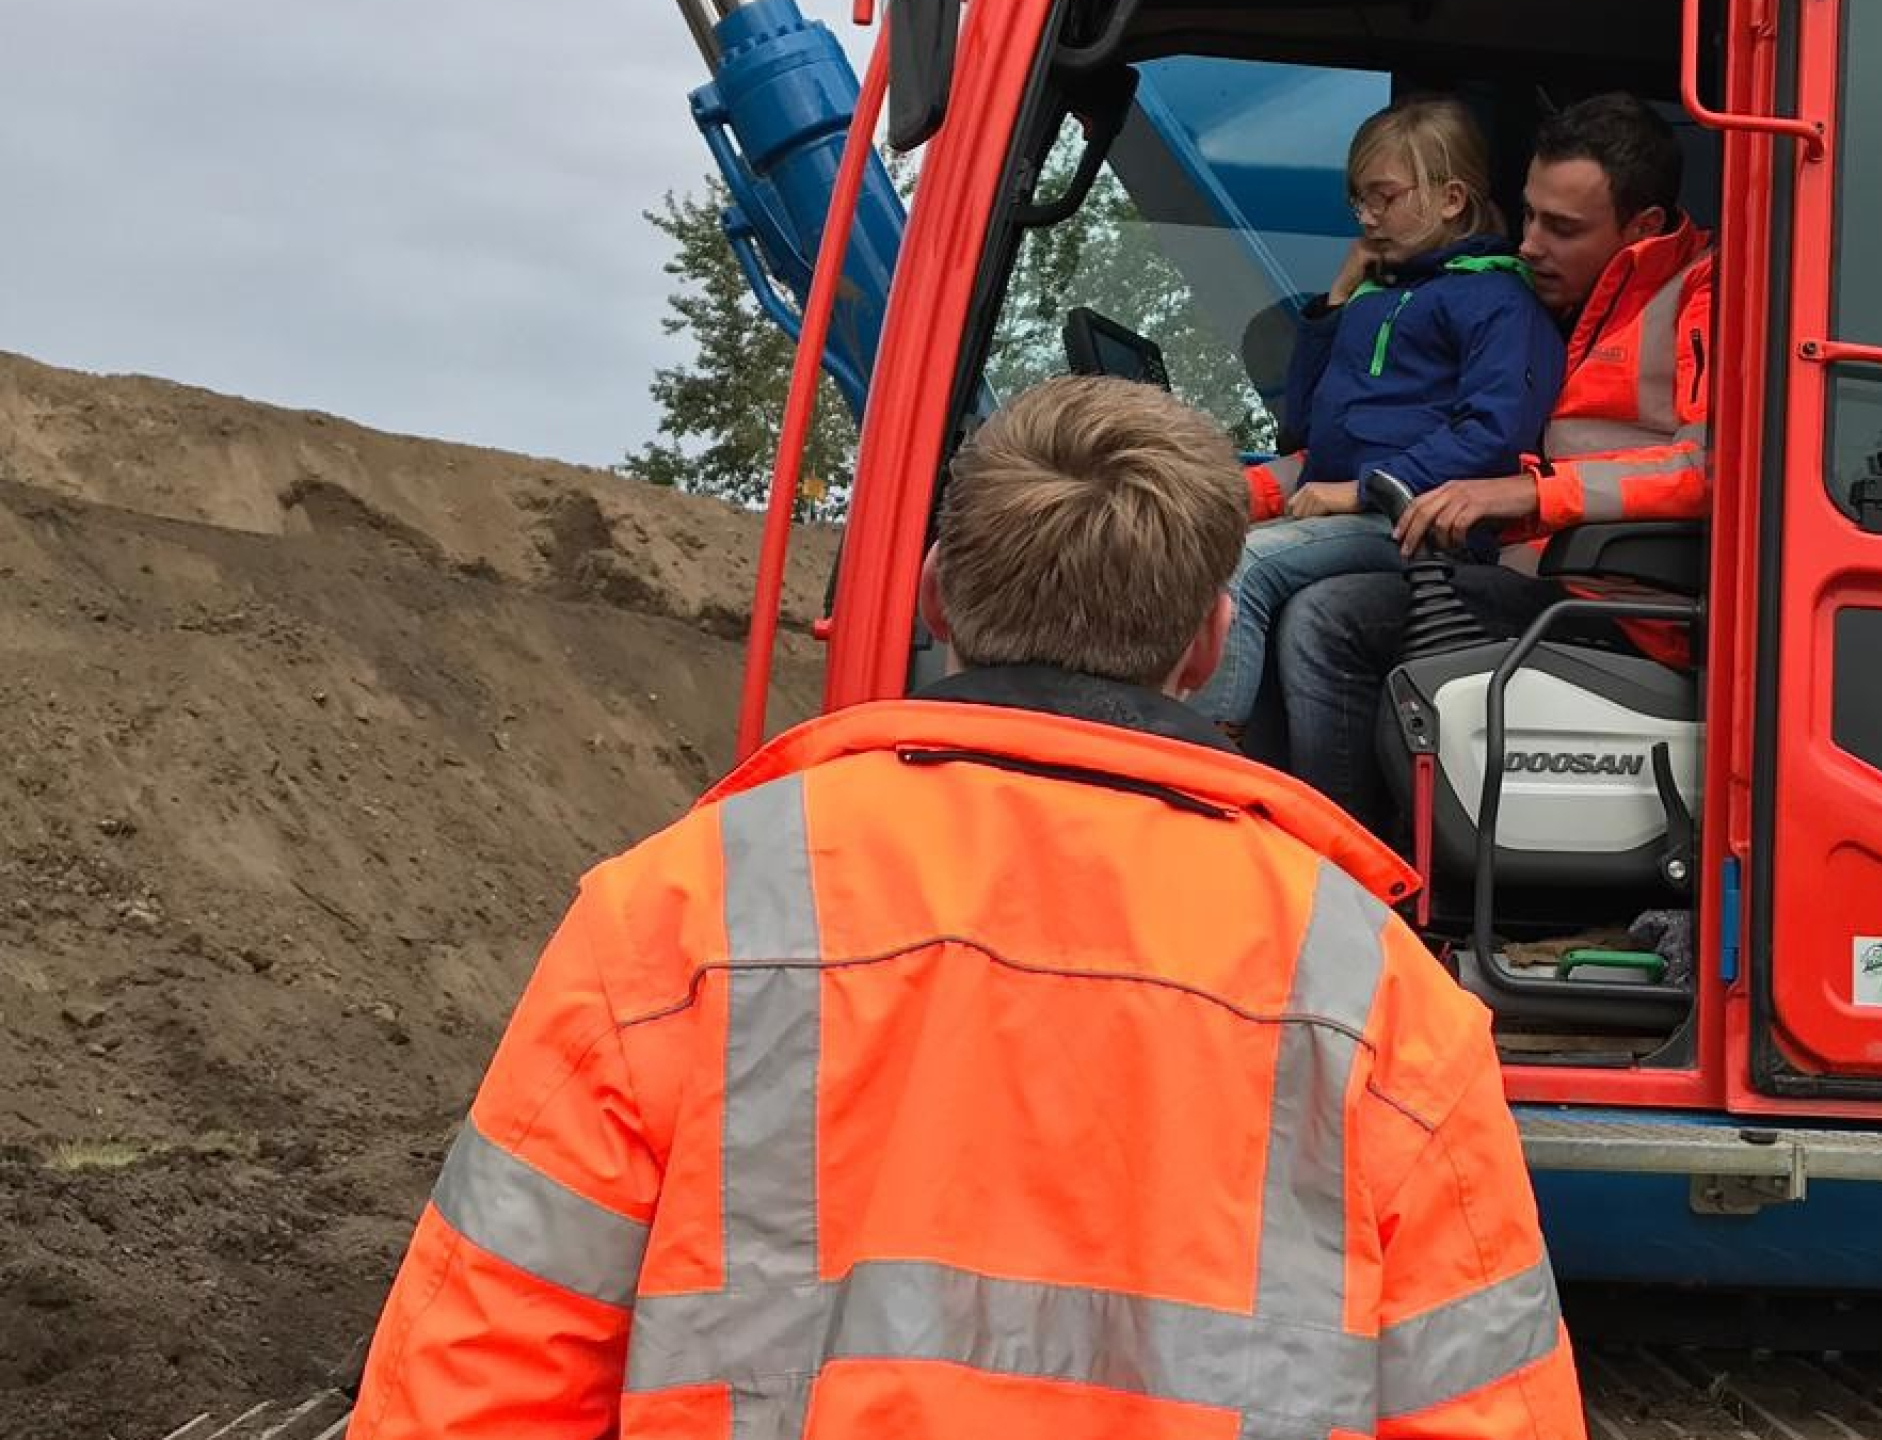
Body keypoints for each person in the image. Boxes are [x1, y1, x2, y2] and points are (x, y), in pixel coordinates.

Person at [346, 376, 1585, 1440]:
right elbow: (1483, 1406)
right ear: (1212, 643)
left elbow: (482, 1370)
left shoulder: (686, 906)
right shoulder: (1371, 985)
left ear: (936, 596)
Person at [1274, 92, 1715, 829]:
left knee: (1330, 618)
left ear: (1640, 227)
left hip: (1629, 609)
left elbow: (1712, 469)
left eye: (1564, 228)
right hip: (1528, 578)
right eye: (1531, 215)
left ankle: (1336, 863)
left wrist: (1529, 494)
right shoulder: (1551, 300)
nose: (1532, 243)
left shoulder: (1702, 294)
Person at [1193, 95, 1565, 738]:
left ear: (1450, 199)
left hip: (1420, 526)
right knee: (1193, 554)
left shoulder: (1498, 299)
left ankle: (1204, 775)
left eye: (1383, 198)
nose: (1366, 219)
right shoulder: (1376, 296)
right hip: (1353, 514)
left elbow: (1492, 438)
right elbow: (1304, 426)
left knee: (1244, 568)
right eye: (1358, 202)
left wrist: (1363, 489)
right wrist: (1337, 300)